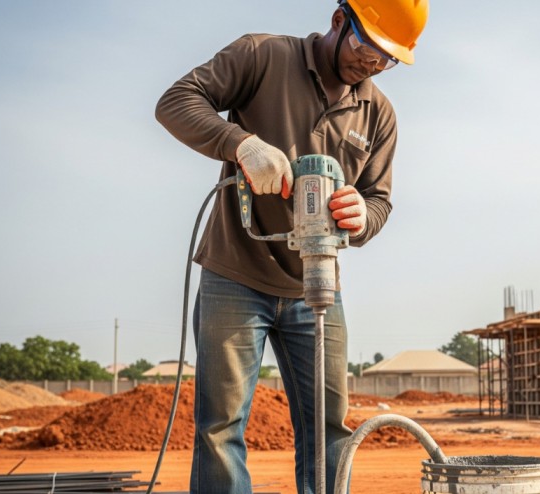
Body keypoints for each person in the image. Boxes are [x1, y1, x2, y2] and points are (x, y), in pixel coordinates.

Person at [155, 0, 429, 492]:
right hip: (234, 275)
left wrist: (362, 216)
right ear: (340, 20)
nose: (372, 64)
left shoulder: (378, 113)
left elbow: (380, 201)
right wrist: (239, 143)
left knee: (328, 429)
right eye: (367, 46)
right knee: (220, 428)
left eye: (386, 58)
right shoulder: (263, 56)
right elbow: (176, 101)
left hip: (318, 286)